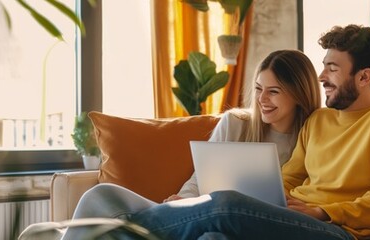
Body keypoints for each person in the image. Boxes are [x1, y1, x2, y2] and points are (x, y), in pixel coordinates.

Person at [81, 25, 370, 240]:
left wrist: (321, 210)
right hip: (292, 221)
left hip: (337, 232)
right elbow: (289, 178)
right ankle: (113, 223)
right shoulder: (319, 121)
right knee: (213, 238)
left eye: (333, 68)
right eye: (324, 65)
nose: (322, 75)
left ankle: (117, 230)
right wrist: (268, 199)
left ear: (364, 77)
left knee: (223, 203)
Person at [57, 49, 323, 239]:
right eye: (258, 88)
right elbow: (199, 180)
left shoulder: (314, 138)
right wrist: (182, 200)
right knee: (101, 195)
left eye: (273, 91)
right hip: (198, 215)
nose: (262, 99)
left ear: (299, 94)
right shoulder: (236, 123)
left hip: (250, 228)